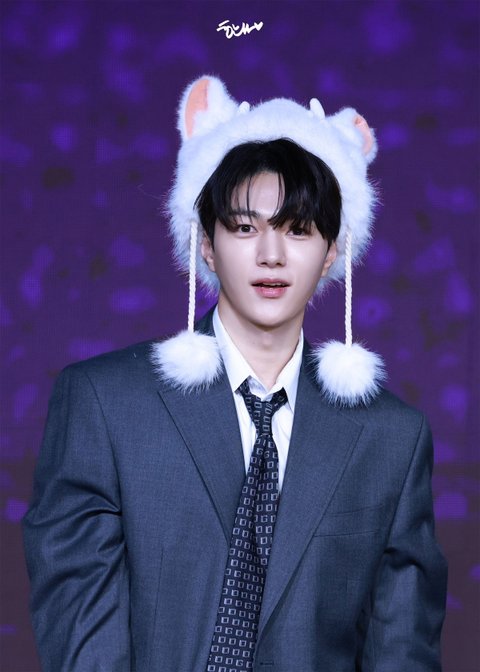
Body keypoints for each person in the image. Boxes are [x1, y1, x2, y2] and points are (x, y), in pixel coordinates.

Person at [23, 76, 447, 672]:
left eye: (298, 229)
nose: (271, 254)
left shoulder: (391, 438)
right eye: (245, 227)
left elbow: (401, 650)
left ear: (332, 250)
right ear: (206, 242)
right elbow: (82, 633)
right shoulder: (105, 405)